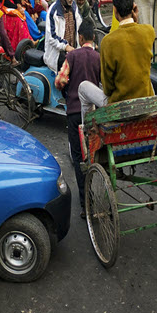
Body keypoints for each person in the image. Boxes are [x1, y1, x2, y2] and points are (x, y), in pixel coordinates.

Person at [55, 19, 101, 205]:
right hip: (93, 114)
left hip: (74, 112)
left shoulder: (73, 56)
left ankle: (85, 202)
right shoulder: (98, 57)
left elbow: (60, 81)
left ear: (80, 37)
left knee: (78, 156)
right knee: (93, 153)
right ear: (93, 38)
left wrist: (65, 91)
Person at [96, 0, 154, 104]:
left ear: (115, 9)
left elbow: (107, 88)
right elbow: (136, 31)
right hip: (146, 101)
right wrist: (135, 19)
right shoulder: (149, 31)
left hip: (120, 105)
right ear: (133, 7)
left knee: (83, 87)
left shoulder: (108, 41)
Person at [45, 0, 83, 72]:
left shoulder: (74, 6)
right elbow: (52, 37)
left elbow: (80, 25)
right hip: (59, 55)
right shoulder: (53, 11)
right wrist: (66, 47)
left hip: (73, 51)